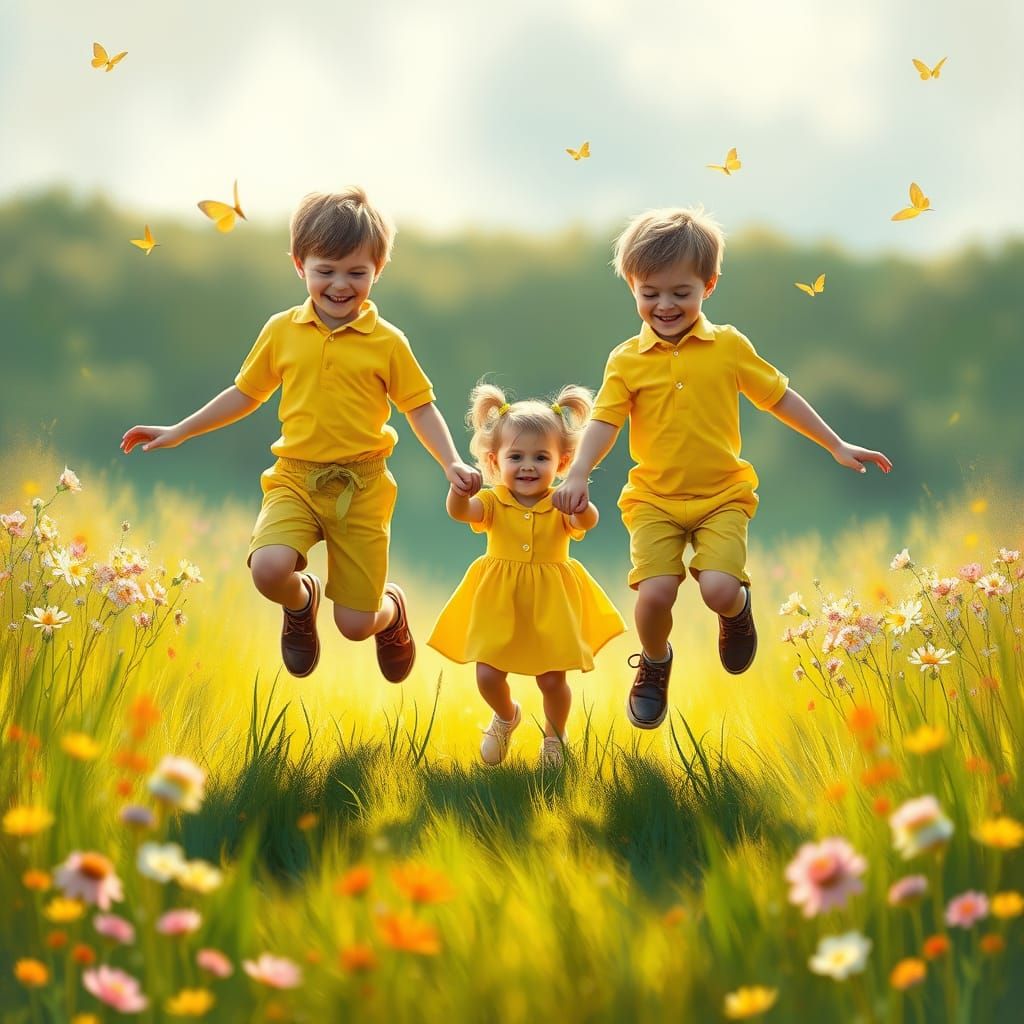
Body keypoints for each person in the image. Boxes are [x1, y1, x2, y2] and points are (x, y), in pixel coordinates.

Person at [121, 187, 481, 682]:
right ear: (299, 264)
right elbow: (245, 394)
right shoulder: (281, 331)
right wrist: (180, 431)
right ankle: (302, 598)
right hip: (295, 479)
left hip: (363, 487)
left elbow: (420, 408)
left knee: (355, 625)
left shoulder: (388, 343)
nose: (340, 285)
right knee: (268, 569)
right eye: (325, 270)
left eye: (356, 272)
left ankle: (390, 613)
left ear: (378, 269)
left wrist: (452, 463)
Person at [553, 206, 892, 729]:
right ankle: (654, 663)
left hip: (721, 497)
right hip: (654, 501)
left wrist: (835, 443)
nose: (665, 306)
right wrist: (577, 472)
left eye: (680, 293)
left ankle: (736, 613)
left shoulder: (728, 347)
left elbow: (779, 397)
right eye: (651, 294)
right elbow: (604, 422)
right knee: (654, 597)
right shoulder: (625, 361)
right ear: (632, 288)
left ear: (708, 285)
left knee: (717, 589)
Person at [428, 383, 625, 767]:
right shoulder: (492, 501)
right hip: (500, 601)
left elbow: (587, 520)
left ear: (563, 463)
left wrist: (580, 502)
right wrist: (457, 489)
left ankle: (555, 736)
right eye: (516, 456)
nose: (528, 466)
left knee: (552, 680)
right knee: (487, 673)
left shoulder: (561, 500)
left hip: (550, 603)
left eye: (540, 457)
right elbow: (460, 512)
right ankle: (505, 716)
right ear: (494, 461)